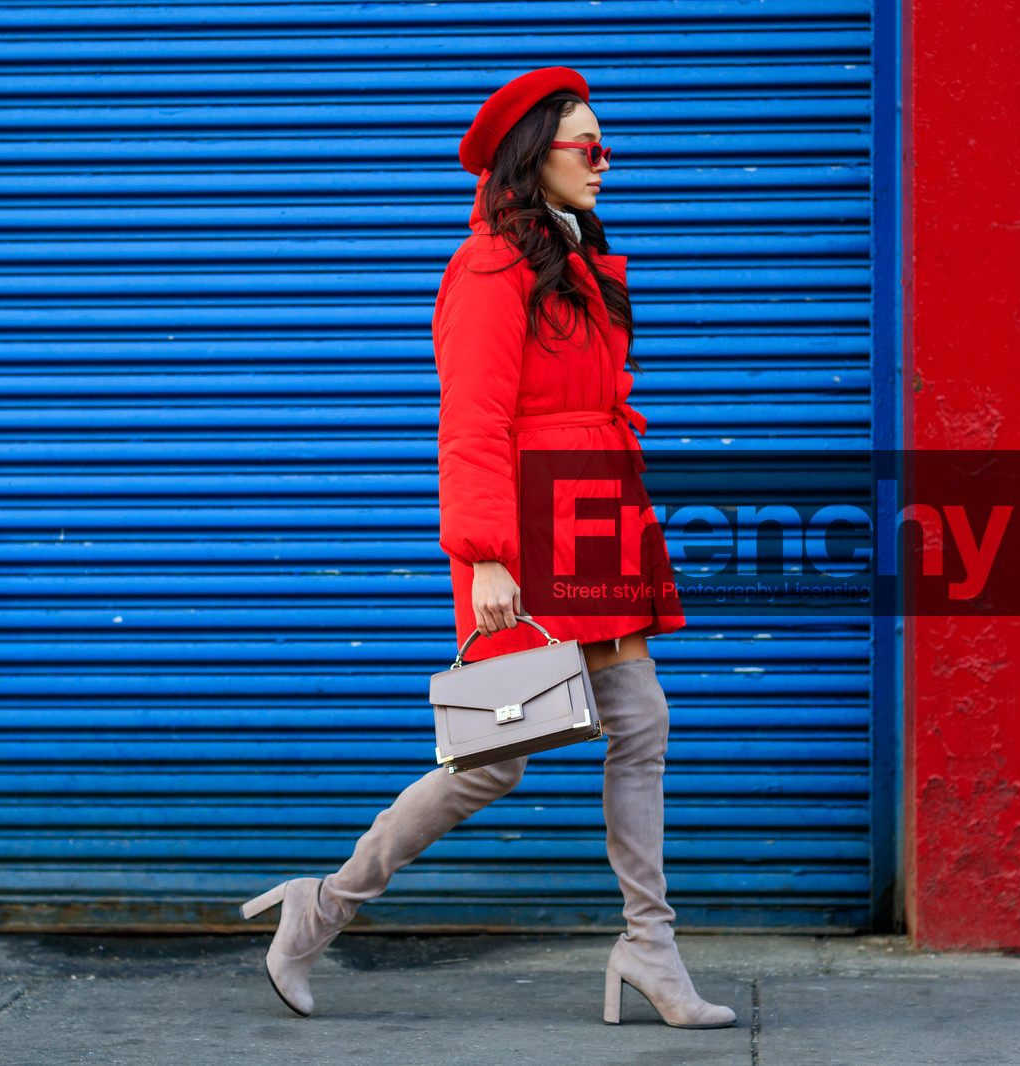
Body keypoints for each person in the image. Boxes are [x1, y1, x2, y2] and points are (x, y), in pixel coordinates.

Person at [239, 67, 736, 1031]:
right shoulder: (490, 270)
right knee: (496, 756)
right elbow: (470, 422)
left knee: (640, 721)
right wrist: (487, 553)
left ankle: (649, 945)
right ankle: (326, 905)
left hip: (594, 511)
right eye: (585, 145)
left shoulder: (580, 262)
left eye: (604, 143)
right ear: (533, 156)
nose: (605, 160)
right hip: (523, 530)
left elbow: (596, 406)